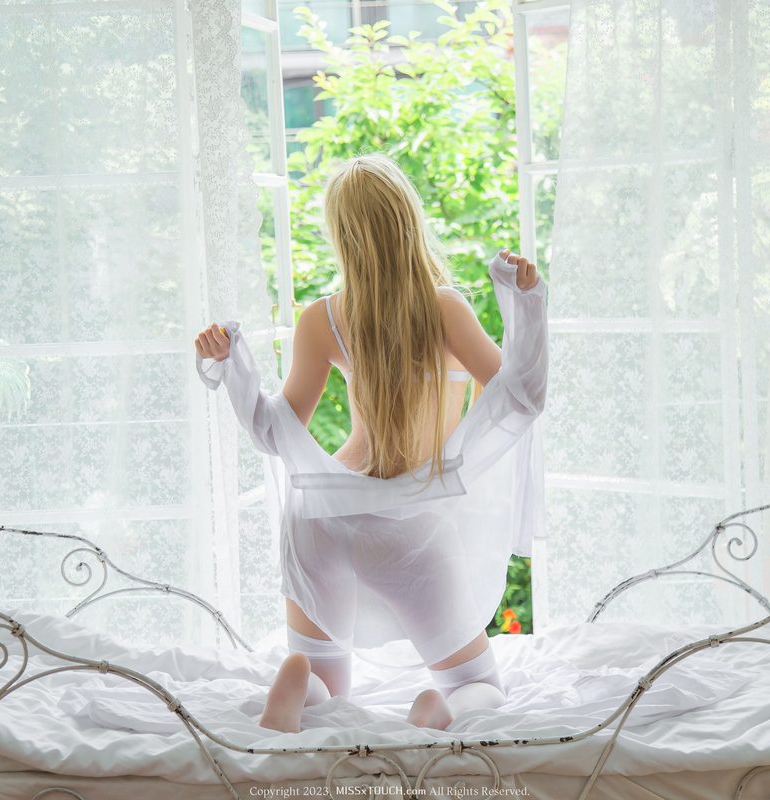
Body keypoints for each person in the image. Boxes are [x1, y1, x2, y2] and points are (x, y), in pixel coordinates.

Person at [194, 153, 548, 733]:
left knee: (328, 680)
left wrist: (232, 366)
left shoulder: (323, 318)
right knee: (478, 684)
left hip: (320, 513)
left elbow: (273, 430)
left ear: (341, 236)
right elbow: (519, 397)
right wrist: (526, 303)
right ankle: (445, 706)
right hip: (408, 522)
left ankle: (302, 687)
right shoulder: (444, 308)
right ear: (408, 220)